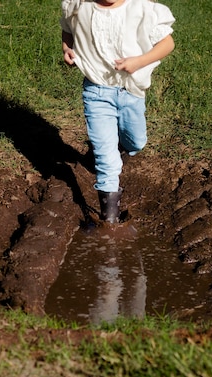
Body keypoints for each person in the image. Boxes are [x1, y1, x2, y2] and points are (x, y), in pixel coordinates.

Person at [60, 0, 175, 223]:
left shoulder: (141, 8)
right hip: (96, 92)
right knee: (106, 161)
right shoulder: (79, 6)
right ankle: (110, 222)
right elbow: (67, 29)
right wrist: (67, 49)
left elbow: (167, 44)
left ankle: (116, 147)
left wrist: (139, 61)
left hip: (131, 91)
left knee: (136, 142)